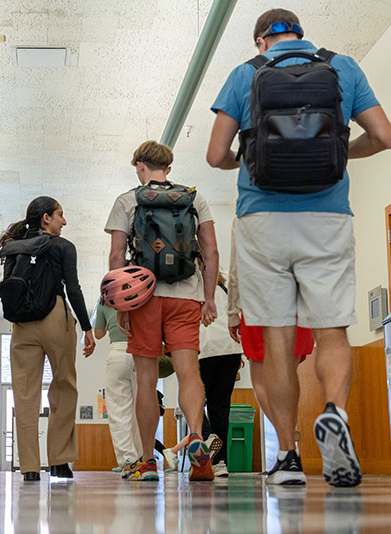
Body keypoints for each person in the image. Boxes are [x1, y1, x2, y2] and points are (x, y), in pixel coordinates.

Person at [207, 9, 391, 487]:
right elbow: (385, 137)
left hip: (262, 220)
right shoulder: (342, 67)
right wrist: (338, 151)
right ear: (299, 35)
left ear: (260, 40)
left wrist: (247, 159)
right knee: (332, 331)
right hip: (327, 216)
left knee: (277, 341)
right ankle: (334, 411)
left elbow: (215, 155)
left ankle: (288, 457)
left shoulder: (245, 74)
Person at [105, 140, 220, 482]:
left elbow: (115, 258)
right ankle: (197, 437)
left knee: (145, 379)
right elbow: (211, 252)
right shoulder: (194, 198)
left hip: (145, 297)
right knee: (188, 373)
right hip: (187, 296)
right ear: (167, 168)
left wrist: (120, 304)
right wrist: (209, 298)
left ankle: (147, 461)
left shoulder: (128, 200)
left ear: (139, 165)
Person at [0, 196, 96, 482]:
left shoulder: (13, 246)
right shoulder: (63, 246)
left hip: (21, 324)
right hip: (55, 316)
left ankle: (28, 467)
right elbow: (73, 289)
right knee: (64, 385)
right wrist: (87, 328)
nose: (64, 221)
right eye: (60, 215)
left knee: (24, 393)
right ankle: (59, 462)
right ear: (46, 218)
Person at [225, 220, 315, 482]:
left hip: (257, 300)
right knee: (287, 376)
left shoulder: (245, 215)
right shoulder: (303, 202)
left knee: (262, 381)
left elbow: (236, 268)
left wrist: (232, 312)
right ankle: (290, 446)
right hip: (298, 300)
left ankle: (287, 446)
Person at [196, 271, 243, 478]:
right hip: (230, 349)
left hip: (203, 350)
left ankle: (207, 438)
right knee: (221, 406)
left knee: (194, 402)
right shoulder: (224, 282)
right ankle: (220, 462)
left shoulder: (190, 282)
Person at [93, 300, 143, 476]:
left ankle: (129, 461)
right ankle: (143, 460)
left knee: (118, 411)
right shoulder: (143, 293)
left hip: (118, 353)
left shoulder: (107, 300)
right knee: (142, 411)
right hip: (142, 352)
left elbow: (98, 334)